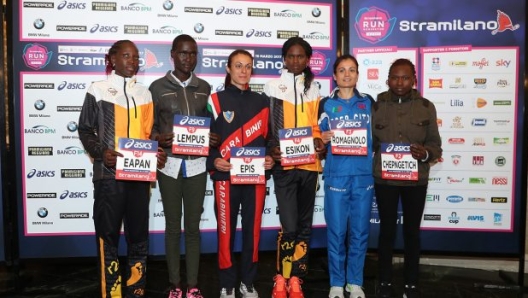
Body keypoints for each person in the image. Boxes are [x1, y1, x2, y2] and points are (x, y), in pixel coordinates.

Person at [78, 40, 167, 298]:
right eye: (127, 56)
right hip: (108, 177)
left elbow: (149, 136)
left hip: (139, 177)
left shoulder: (145, 94)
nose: (133, 61)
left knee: (138, 236)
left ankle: (136, 290)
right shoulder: (98, 89)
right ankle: (112, 293)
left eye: (136, 57)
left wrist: (156, 154)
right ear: (113, 59)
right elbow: (85, 130)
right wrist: (100, 153)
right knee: (108, 238)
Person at [149, 34, 218, 298]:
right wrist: (157, 138)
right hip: (169, 165)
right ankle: (175, 285)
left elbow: (213, 124)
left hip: (197, 166)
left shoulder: (205, 87)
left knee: (192, 228)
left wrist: (213, 136)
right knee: (172, 226)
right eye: (183, 53)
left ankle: (193, 286)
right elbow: (148, 128)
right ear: (173, 54)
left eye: (192, 53)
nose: (188, 58)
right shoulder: (156, 87)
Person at [206, 49, 275, 298]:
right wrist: (214, 160)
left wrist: (270, 157)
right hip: (225, 179)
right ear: (228, 68)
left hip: (255, 178)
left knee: (252, 231)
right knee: (225, 232)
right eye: (238, 66)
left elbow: (270, 139)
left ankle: (248, 281)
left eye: (248, 66)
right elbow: (206, 139)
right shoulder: (214, 101)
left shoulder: (262, 101)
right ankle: (226, 283)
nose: (243, 71)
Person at [372, 58, 442, 298]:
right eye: (394, 77)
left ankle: (411, 283)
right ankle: (384, 283)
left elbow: (436, 145)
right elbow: (369, 142)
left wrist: (426, 153)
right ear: (387, 79)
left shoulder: (426, 106)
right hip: (385, 180)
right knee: (387, 233)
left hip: (416, 181)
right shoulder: (377, 105)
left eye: (405, 77)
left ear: (414, 80)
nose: (399, 82)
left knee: (412, 232)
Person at [264, 36, 325, 298]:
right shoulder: (272, 87)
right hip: (284, 167)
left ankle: (297, 278)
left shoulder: (315, 88)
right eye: (291, 56)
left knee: (304, 225)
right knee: (288, 225)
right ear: (284, 58)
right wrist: (270, 149)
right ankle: (281, 276)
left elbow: (319, 126)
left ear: (308, 59)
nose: (296, 60)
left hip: (310, 165)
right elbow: (266, 128)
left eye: (301, 56)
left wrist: (321, 140)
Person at [318, 54, 374, 298]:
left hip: (363, 176)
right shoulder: (325, 103)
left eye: (352, 70)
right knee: (337, 232)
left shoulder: (370, 102)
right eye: (342, 70)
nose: (347, 74)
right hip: (336, 176)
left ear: (358, 75)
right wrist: (322, 138)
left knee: (360, 232)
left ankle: (355, 282)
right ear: (334, 75)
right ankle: (337, 284)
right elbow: (317, 137)